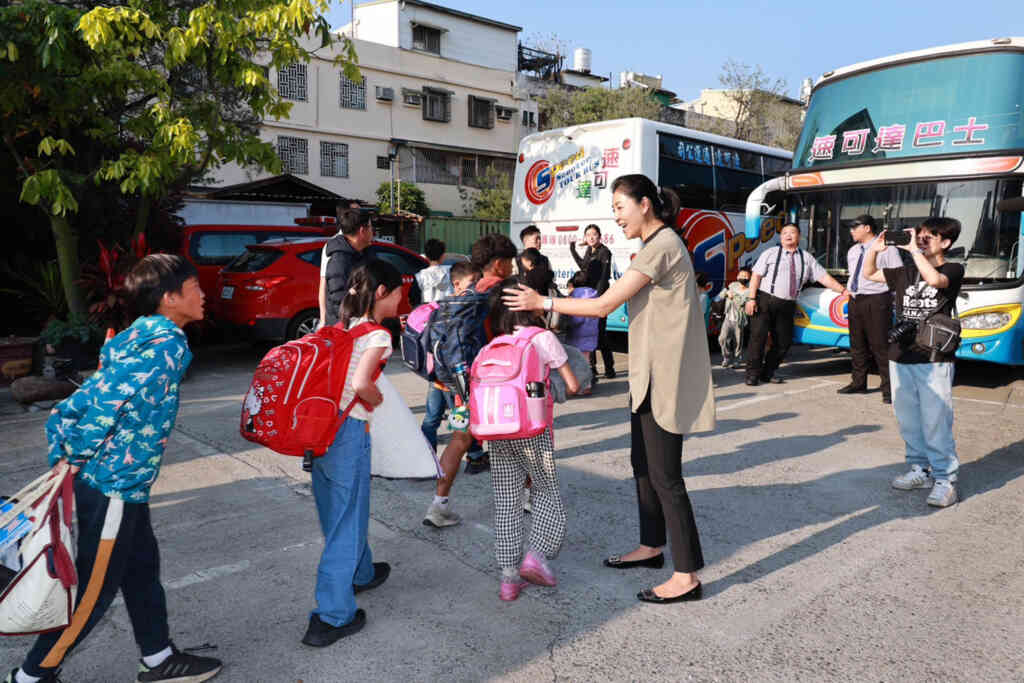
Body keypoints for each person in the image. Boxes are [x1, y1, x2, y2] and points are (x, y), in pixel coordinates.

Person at [6, 255, 222, 683]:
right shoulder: (167, 347)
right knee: (91, 591)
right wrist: (73, 453)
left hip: (123, 486)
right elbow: (106, 404)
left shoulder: (135, 337)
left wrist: (69, 446)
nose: (204, 294)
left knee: (141, 568)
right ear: (170, 297)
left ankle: (159, 658)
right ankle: (31, 676)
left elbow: (97, 393)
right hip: (112, 487)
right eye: (195, 286)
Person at [504, 173, 715, 604]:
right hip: (648, 374)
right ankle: (651, 546)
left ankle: (687, 575)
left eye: (620, 207)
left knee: (665, 476)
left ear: (645, 205)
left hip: (666, 376)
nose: (616, 217)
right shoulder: (653, 246)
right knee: (643, 465)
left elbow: (603, 305)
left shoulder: (663, 246)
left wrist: (542, 302)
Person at [302, 260, 402, 648]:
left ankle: (360, 573)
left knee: (336, 510)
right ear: (380, 293)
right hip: (346, 434)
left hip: (318, 430)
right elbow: (362, 384)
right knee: (347, 522)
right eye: (396, 293)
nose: (399, 301)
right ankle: (331, 616)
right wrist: (376, 399)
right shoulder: (377, 336)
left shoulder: (336, 327)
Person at [484, 278, 579, 601]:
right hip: (535, 432)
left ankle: (508, 580)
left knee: (507, 504)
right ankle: (536, 556)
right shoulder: (542, 337)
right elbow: (573, 385)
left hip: (498, 433)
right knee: (546, 493)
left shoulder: (496, 342)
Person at [861, 217, 965, 508]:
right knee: (908, 419)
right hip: (901, 354)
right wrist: (875, 247)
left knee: (935, 420)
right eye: (918, 235)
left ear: (945, 242)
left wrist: (914, 252)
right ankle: (921, 469)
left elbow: (935, 281)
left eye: (928, 237)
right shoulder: (903, 271)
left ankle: (946, 480)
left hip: (934, 356)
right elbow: (868, 274)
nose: (920, 240)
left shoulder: (953, 268)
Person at [423, 233, 518, 528]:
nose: (513, 268)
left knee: (460, 439)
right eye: (511, 262)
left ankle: (438, 506)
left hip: (464, 383)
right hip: (497, 384)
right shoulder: (506, 293)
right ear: (500, 264)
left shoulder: (466, 294)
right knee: (519, 439)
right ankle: (525, 501)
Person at [744, 224, 848, 386]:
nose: (788, 235)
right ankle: (752, 374)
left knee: (783, 342)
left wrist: (843, 291)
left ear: (799, 236)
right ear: (780, 237)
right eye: (784, 233)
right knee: (758, 338)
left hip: (788, 304)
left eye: (792, 232)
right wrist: (751, 299)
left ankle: (768, 372)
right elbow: (755, 277)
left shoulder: (806, 258)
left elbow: (824, 278)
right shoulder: (770, 253)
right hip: (765, 300)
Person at [419, 261, 487, 462]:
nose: (476, 287)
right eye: (472, 282)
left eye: (478, 281)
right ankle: (473, 456)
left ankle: (426, 457)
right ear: (457, 284)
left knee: (432, 419)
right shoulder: (462, 311)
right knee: (461, 422)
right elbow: (459, 349)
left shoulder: (444, 306)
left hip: (438, 377)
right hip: (454, 378)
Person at [838, 215, 902, 404]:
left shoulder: (887, 248)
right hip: (856, 299)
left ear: (867, 228)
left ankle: (889, 390)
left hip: (877, 299)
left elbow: (897, 274)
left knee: (880, 346)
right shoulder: (853, 250)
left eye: (854, 227)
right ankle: (858, 383)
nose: (851, 231)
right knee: (857, 344)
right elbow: (854, 274)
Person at [569, 224, 615, 378]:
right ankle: (592, 367)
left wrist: (599, 298)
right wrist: (573, 250)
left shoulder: (605, 252)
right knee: (590, 333)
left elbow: (604, 276)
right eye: (588, 235)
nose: (591, 237)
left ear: (599, 236)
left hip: (599, 297)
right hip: (589, 297)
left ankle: (610, 368)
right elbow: (583, 267)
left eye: (594, 234)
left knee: (600, 333)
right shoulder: (590, 250)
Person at [318, 207, 374, 328]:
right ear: (362, 231)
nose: (373, 231)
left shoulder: (364, 252)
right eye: (370, 227)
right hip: (346, 328)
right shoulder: (339, 260)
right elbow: (339, 298)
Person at [716, 267, 751, 368]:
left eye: (745, 276)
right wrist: (725, 293)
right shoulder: (732, 285)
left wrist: (732, 296)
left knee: (738, 341)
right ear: (737, 276)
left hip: (739, 320)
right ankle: (726, 357)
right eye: (741, 275)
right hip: (728, 318)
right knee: (722, 339)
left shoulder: (749, 291)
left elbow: (741, 303)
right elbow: (721, 296)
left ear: (749, 278)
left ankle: (737, 359)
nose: (743, 277)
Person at [415, 238, 453, 304]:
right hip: (445, 310)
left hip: (426, 311)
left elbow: (415, 297)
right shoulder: (449, 273)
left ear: (426, 256)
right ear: (443, 256)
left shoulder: (419, 275)